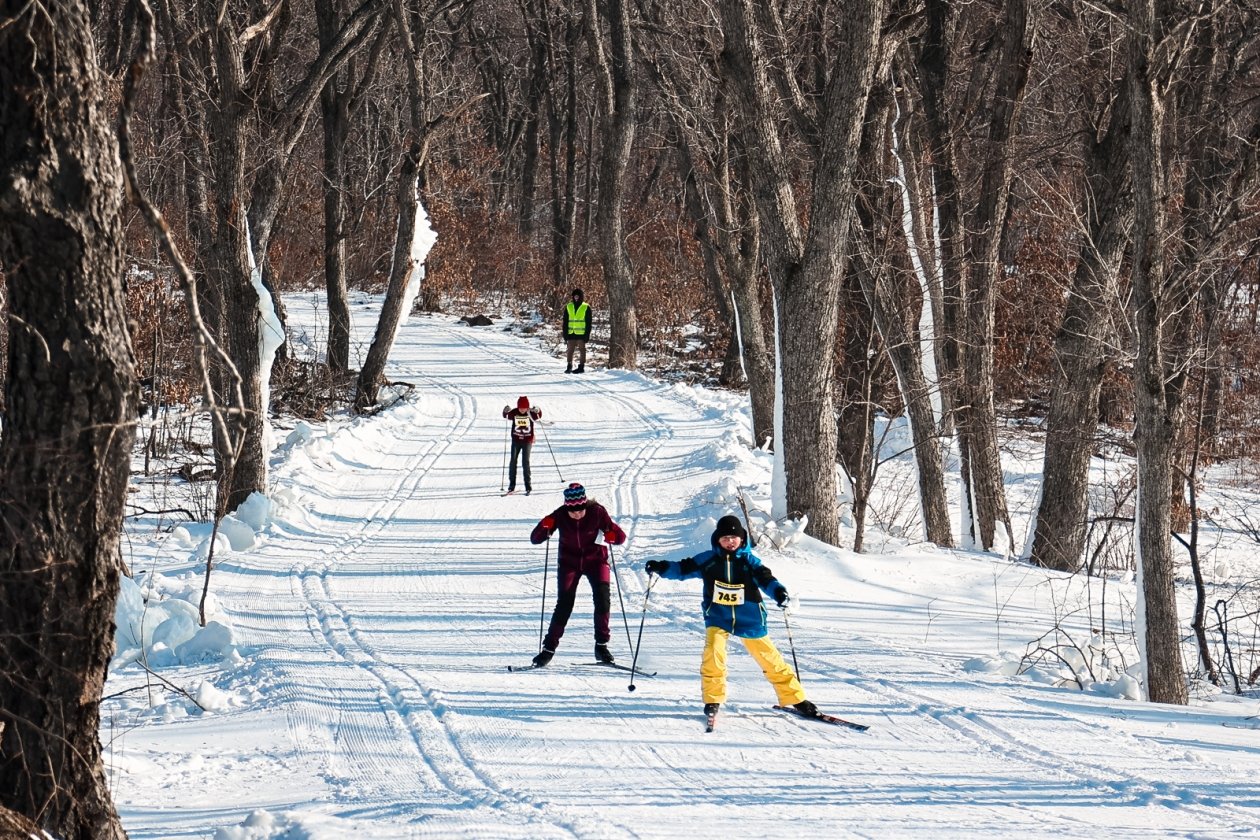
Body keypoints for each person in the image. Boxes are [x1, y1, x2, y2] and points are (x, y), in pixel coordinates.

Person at [644, 515, 816, 718]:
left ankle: (795, 699)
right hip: (718, 616)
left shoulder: (749, 561)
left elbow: (766, 579)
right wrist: (662, 567)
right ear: (717, 539)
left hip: (750, 617)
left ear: (742, 539)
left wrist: (779, 592)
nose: (730, 541)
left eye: (734, 537)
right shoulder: (707, 559)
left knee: (770, 658)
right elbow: (682, 568)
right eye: (725, 537)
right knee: (713, 653)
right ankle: (713, 699)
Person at [529, 483, 627, 666]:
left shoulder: (597, 512)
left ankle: (601, 646)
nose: (577, 514)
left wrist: (613, 536)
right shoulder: (559, 515)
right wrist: (545, 526)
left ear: (585, 504)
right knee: (564, 604)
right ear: (567, 507)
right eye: (573, 511)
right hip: (569, 563)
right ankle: (548, 649)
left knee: (603, 598)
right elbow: (535, 539)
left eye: (581, 510)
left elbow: (620, 536)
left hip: (596, 561)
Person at [502, 396, 542, 495]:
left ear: (527, 407)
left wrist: (537, 409)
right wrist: (505, 410)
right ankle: (511, 486)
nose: (522, 410)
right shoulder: (515, 412)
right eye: (520, 408)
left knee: (525, 462)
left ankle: (528, 487)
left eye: (524, 408)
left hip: (527, 441)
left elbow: (539, 415)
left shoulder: (530, 413)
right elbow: (505, 415)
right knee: (513, 461)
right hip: (516, 441)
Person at [563, 288, 592, 374]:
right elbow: (565, 321)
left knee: (582, 350)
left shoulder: (586, 307)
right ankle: (569, 366)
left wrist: (587, 334)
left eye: (578, 296)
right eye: (574, 296)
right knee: (570, 350)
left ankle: (581, 367)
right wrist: (565, 333)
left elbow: (588, 322)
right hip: (571, 333)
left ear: (581, 297)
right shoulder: (569, 306)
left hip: (581, 334)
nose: (576, 298)